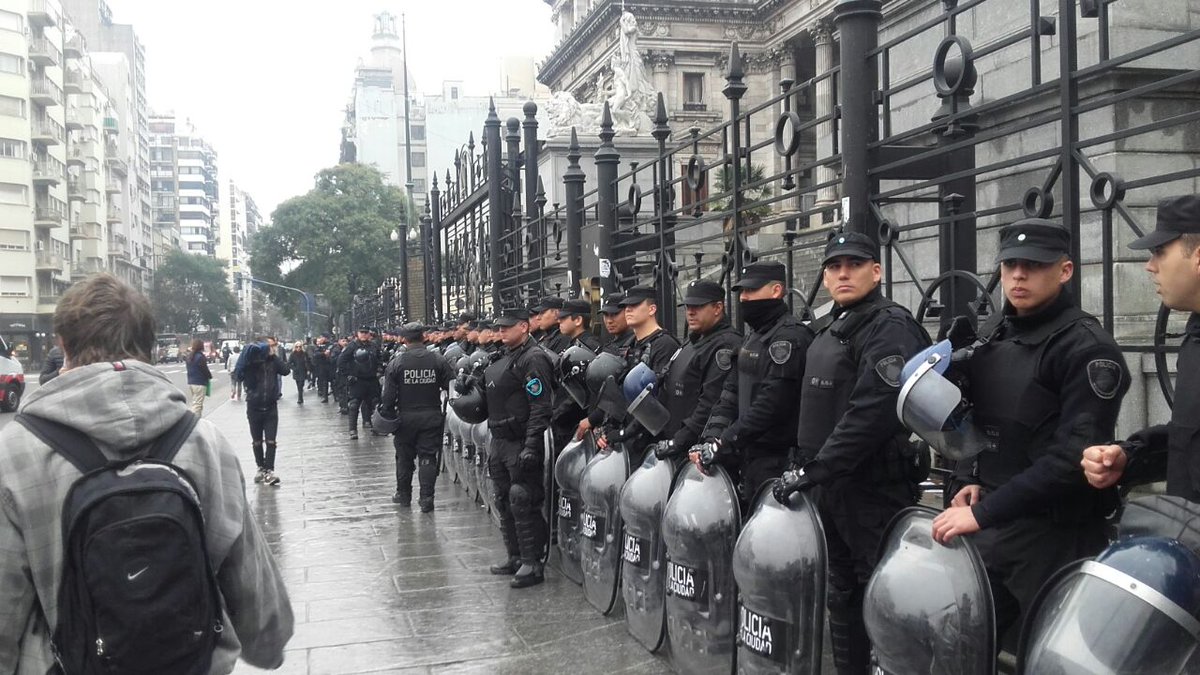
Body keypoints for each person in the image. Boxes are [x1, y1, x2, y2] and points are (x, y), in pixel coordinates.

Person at [0, 273, 292, 671]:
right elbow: (258, 601)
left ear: (62, 344)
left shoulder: (13, 454)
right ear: (149, 346)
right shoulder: (204, 442)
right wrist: (267, 645)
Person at [928, 218, 1130, 650]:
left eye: (1034, 265)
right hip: (994, 524)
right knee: (959, 648)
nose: (1018, 275)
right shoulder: (994, 333)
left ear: (1065, 270)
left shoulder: (1087, 348)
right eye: (1010, 264)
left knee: (1048, 653)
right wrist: (968, 477)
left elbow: (1072, 458)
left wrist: (983, 514)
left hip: (1052, 536)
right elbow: (974, 417)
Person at [773, 232, 931, 675]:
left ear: (876, 271)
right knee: (841, 592)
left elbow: (872, 412)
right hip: (829, 486)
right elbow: (810, 407)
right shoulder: (830, 325)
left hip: (871, 488)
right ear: (824, 276)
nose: (843, 273)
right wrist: (801, 461)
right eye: (834, 266)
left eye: (855, 264)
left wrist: (818, 467)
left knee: (879, 592)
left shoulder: (889, 326)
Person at [1083, 196, 1200, 501]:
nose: (1150, 266)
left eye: (1160, 252)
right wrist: (1130, 457)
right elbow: (1189, 438)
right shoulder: (1195, 335)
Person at [701, 262, 813, 501]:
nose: (744, 298)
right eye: (742, 292)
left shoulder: (789, 337)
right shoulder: (753, 337)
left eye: (751, 291)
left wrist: (726, 441)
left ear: (776, 291)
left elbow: (772, 403)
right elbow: (730, 394)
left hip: (777, 461)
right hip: (747, 456)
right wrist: (712, 438)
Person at [483, 307, 557, 588]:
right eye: (499, 327)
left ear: (524, 327)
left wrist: (531, 444)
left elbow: (540, 407)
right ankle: (514, 556)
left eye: (507, 326)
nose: (501, 331)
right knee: (503, 499)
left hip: (519, 440)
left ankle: (532, 562)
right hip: (500, 439)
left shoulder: (533, 358)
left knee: (522, 499)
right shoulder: (507, 356)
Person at [641, 279, 741, 462]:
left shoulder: (725, 344)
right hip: (676, 443)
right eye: (687, 307)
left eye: (698, 307)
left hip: (698, 451)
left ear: (718, 308)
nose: (690, 312)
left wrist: (680, 441)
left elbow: (710, 404)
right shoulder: (693, 341)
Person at [381, 323, 455, 511]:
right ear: (424, 337)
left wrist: (387, 415)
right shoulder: (438, 360)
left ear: (404, 339)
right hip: (431, 416)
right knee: (428, 457)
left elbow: (388, 396)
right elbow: (452, 387)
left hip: (405, 418)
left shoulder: (397, 363)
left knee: (404, 459)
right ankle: (426, 498)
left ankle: (404, 495)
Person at [237, 337, 290, 486]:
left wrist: (275, 357)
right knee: (257, 441)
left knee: (271, 441)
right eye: (270, 346)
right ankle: (260, 467)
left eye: (274, 346)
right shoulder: (251, 363)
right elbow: (239, 374)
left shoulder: (273, 362)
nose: (273, 348)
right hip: (254, 407)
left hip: (271, 406)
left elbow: (286, 371)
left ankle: (269, 471)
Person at [338, 327, 383, 440]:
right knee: (354, 405)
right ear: (357, 334)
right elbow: (341, 361)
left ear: (369, 334)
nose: (363, 335)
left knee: (374, 404)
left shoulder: (373, 345)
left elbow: (380, 359)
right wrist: (348, 375)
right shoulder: (352, 346)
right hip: (357, 380)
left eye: (366, 333)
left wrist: (379, 370)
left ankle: (376, 427)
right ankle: (353, 430)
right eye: (361, 333)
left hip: (371, 379)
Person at [186, 338, 212, 416]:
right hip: (200, 382)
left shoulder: (189, 356)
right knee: (198, 404)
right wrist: (209, 376)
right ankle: (195, 421)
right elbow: (204, 369)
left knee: (195, 402)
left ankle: (196, 418)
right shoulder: (200, 357)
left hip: (191, 382)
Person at [312, 335, 334, 403]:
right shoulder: (319, 346)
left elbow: (334, 352)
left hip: (331, 366)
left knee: (333, 381)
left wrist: (329, 354)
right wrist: (323, 354)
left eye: (322, 338)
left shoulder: (331, 345)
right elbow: (315, 354)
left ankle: (336, 396)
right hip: (322, 366)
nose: (321, 339)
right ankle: (325, 397)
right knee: (324, 382)